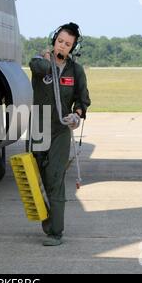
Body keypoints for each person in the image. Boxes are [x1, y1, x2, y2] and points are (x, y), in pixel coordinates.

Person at [29, 22, 91, 246]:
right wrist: (49, 60)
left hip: (61, 131)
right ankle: (48, 219)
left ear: (73, 48)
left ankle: (56, 231)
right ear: (54, 40)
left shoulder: (76, 71)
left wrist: (76, 115)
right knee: (39, 178)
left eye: (68, 44)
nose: (63, 47)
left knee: (55, 176)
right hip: (39, 127)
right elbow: (36, 67)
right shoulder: (40, 62)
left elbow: (83, 100)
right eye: (60, 41)